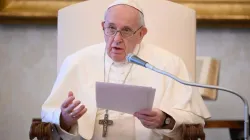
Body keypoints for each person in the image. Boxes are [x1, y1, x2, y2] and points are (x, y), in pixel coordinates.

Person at [41, 0, 210, 139]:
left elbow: (194, 118)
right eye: (111, 28)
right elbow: (48, 114)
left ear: (142, 34)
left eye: (126, 30)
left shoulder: (169, 63)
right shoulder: (77, 61)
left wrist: (164, 119)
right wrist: (64, 119)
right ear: (103, 26)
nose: (116, 39)